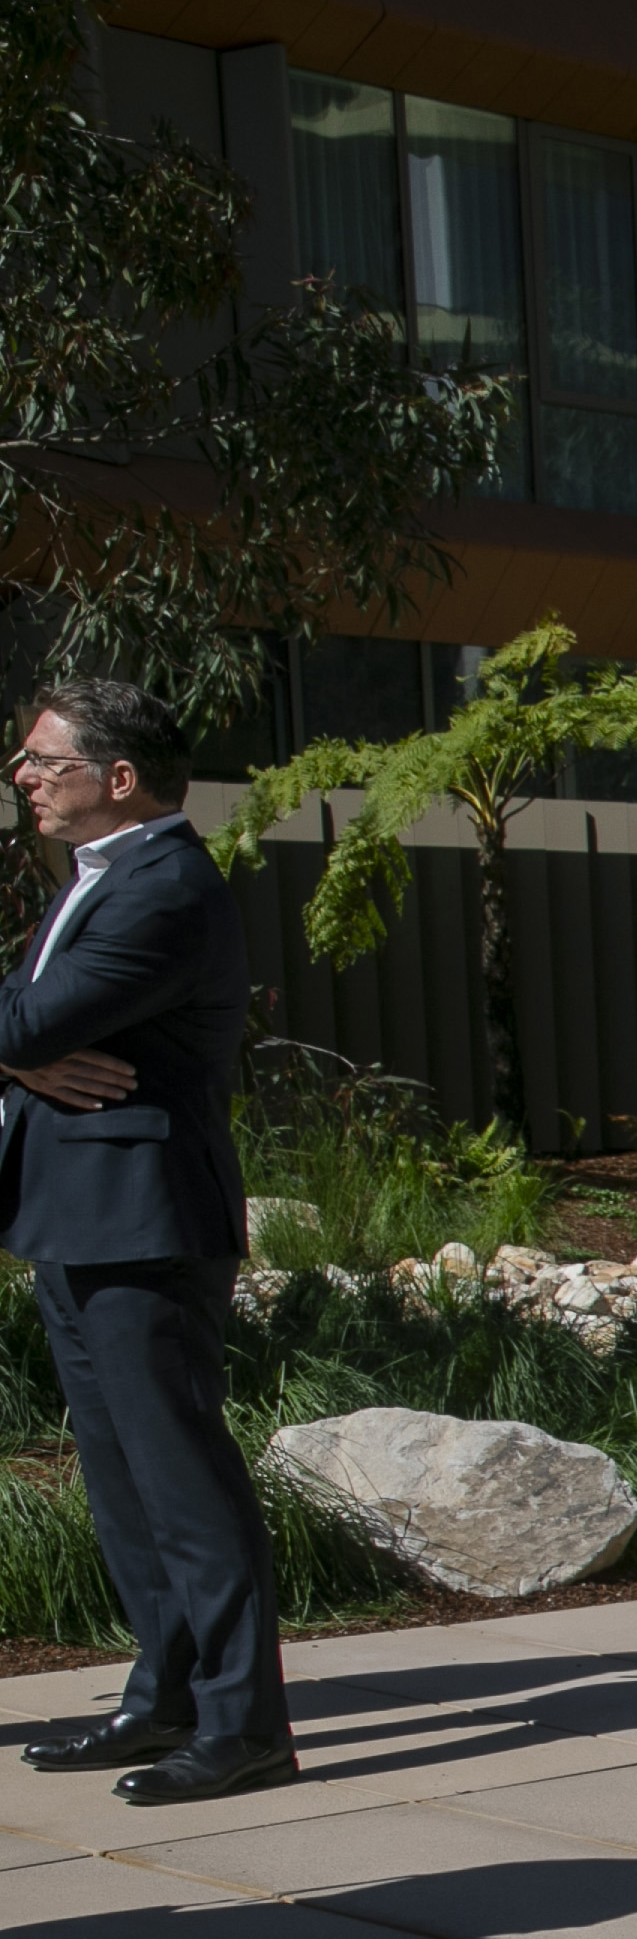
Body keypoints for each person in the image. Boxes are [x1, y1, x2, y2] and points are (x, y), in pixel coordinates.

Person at [4, 681, 295, 1807]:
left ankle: (244, 1725)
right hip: (75, 1217)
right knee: (121, 1478)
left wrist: (20, 1048)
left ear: (117, 779)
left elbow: (33, 1021)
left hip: (144, 1222)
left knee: (182, 1477)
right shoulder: (100, 879)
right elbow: (32, 1031)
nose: (24, 777)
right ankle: (163, 1697)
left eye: (41, 760)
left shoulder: (164, 887)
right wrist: (21, 1057)